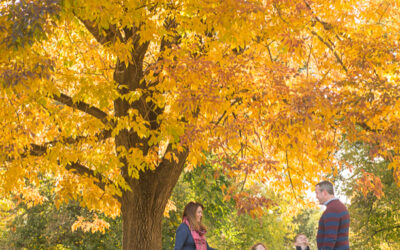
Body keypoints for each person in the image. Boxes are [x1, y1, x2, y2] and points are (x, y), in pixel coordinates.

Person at [315, 181, 350, 250]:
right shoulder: (339, 206)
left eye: (317, 193)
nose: (316, 197)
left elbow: (330, 238)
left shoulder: (332, 209)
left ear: (324, 193)